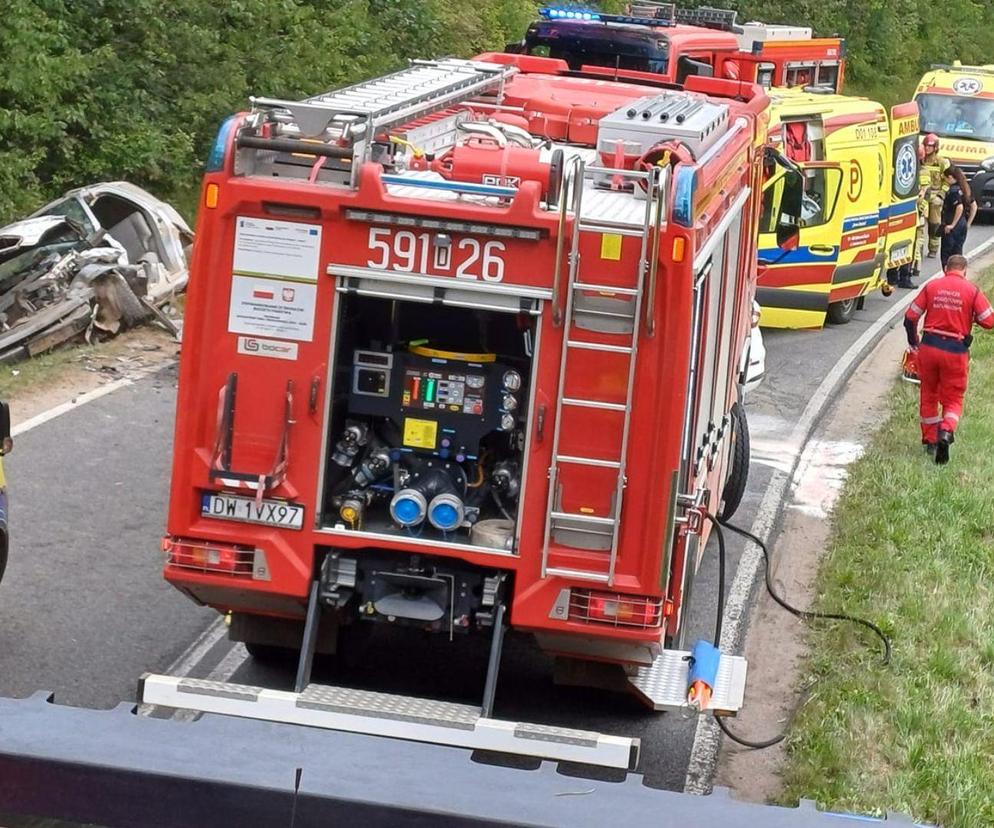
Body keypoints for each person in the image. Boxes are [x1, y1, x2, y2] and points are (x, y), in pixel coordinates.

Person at [904, 254, 994, 464]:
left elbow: (910, 317)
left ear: (946, 268)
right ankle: (946, 431)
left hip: (929, 347)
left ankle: (930, 441)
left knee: (929, 393)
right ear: (965, 271)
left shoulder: (932, 286)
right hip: (955, 350)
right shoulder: (972, 291)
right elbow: (989, 321)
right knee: (953, 399)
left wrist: (914, 342)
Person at [919, 134, 950, 258]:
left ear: (936, 147)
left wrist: (941, 196)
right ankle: (918, 250)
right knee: (920, 224)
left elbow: (948, 181)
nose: (927, 148)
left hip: (935, 196)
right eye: (925, 145)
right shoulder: (921, 160)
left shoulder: (942, 162)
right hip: (923, 196)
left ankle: (933, 248)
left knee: (934, 223)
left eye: (930, 146)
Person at [939, 166, 975, 267]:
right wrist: (968, 223)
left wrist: (952, 225)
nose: (945, 181)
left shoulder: (953, 191)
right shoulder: (965, 188)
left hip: (952, 227)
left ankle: (948, 278)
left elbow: (959, 207)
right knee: (958, 254)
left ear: (950, 177)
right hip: (962, 225)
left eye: (945, 178)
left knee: (947, 256)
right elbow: (974, 206)